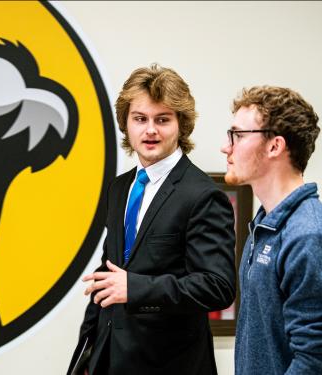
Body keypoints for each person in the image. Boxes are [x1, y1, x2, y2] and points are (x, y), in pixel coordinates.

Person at [68, 64, 236, 375]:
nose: (150, 130)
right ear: (126, 123)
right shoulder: (119, 188)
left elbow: (217, 287)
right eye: (140, 119)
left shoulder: (202, 195)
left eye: (162, 120)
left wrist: (137, 288)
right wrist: (85, 357)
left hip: (170, 364)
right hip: (110, 359)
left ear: (181, 125)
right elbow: (111, 275)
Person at [221, 86, 322, 374]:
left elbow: (315, 361)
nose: (226, 147)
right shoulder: (264, 226)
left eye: (238, 136)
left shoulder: (308, 234)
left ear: (274, 146)